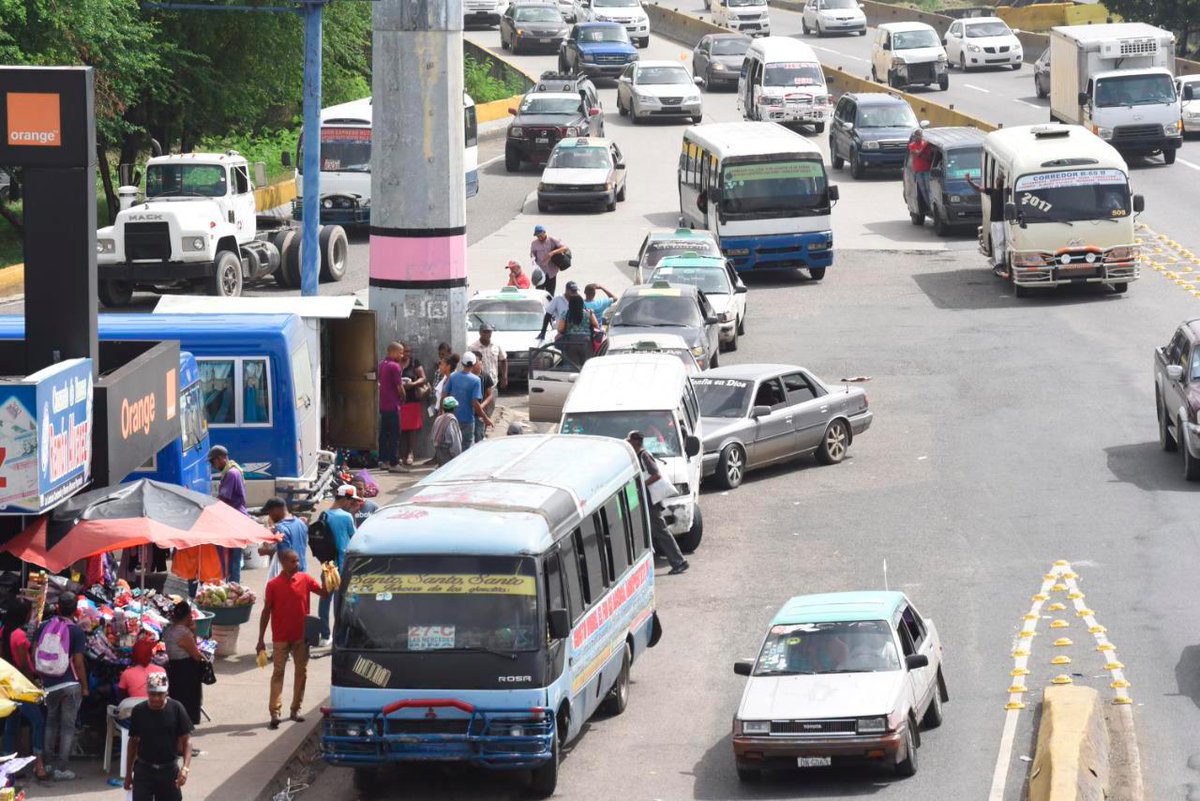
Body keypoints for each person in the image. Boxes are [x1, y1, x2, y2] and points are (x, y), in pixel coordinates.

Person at [256, 549, 329, 729]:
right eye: (293, 561)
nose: (297, 564)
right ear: (283, 563)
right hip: (280, 637)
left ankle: (295, 709)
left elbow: (324, 593)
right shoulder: (273, 585)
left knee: (301, 672)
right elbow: (266, 612)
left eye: (297, 561)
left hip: (302, 637)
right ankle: (275, 711)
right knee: (278, 673)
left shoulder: (305, 579)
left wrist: (327, 575)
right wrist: (260, 639)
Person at [36, 594, 87, 781]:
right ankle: (61, 769)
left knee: (50, 723)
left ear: (57, 607)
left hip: (49, 684)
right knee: (67, 727)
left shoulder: (43, 626)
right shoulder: (77, 631)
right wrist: (85, 686)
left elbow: (35, 649)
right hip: (70, 683)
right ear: (75, 609)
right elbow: (79, 662)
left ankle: (48, 764)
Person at [626, 431, 689, 576]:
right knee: (651, 532)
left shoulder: (644, 455)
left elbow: (656, 474)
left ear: (636, 442)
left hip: (651, 502)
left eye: (630, 441)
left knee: (661, 531)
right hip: (645, 501)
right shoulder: (637, 456)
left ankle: (679, 562)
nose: (628, 443)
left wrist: (641, 484)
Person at [124, 673, 193, 801]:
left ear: (167, 692)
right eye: (152, 694)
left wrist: (185, 768)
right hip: (144, 771)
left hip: (169, 771)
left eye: (160, 694)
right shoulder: (139, 711)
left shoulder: (177, 708)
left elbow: (186, 740)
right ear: (147, 693)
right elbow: (133, 742)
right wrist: (128, 774)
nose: (156, 698)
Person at [1, 598, 48, 781]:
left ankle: (7, 767)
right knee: (38, 722)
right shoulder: (19, 635)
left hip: (8, 685)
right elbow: (23, 665)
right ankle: (39, 764)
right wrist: (35, 685)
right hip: (22, 687)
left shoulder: (4, 631)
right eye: (29, 612)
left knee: (11, 725)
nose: (30, 616)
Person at [316, 485, 359, 647]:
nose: (352, 503)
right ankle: (339, 636)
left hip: (326, 565)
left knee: (325, 600)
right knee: (341, 603)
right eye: (351, 500)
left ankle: (325, 636)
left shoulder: (324, 515)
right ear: (346, 499)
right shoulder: (346, 518)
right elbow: (355, 538)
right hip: (342, 566)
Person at [208, 445, 247, 582]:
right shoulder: (231, 471)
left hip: (235, 520)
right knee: (231, 558)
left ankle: (234, 587)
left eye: (213, 462)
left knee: (234, 560)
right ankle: (232, 584)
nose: (213, 465)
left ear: (221, 458)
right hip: (234, 519)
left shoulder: (231, 474)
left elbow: (224, 499)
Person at [163, 601, 206, 727]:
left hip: (174, 668)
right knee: (188, 700)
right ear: (188, 617)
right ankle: (186, 726)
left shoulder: (169, 630)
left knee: (178, 697)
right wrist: (193, 632)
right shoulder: (183, 632)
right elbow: (196, 655)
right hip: (186, 670)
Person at [441, 352, 492, 450]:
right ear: (473, 364)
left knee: (453, 448)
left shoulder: (453, 376)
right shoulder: (476, 380)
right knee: (467, 449)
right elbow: (475, 403)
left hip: (452, 419)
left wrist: (443, 413)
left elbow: (444, 395)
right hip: (467, 420)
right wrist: (485, 418)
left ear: (462, 363)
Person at [397, 342, 428, 466]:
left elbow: (423, 378)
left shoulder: (414, 362)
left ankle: (410, 453)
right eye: (404, 351)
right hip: (398, 399)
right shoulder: (395, 362)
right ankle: (399, 454)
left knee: (412, 429)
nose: (406, 354)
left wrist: (413, 384)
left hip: (411, 398)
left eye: (408, 352)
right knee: (399, 428)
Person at [259, 497, 309, 573]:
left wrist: (266, 551)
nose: (270, 516)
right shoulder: (301, 523)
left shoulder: (281, 528)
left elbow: (285, 555)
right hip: (303, 571)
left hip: (290, 575)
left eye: (270, 512)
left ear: (276, 510)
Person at [377, 342, 405, 472]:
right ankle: (394, 463)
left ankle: (383, 460)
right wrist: (403, 397)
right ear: (393, 352)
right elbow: (399, 387)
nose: (402, 355)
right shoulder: (395, 366)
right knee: (395, 434)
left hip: (383, 404)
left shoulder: (382, 364)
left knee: (384, 434)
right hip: (393, 405)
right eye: (400, 352)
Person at [529, 224, 569, 296]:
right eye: (537, 236)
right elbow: (532, 254)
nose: (539, 237)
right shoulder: (534, 243)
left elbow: (565, 248)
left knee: (550, 294)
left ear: (544, 232)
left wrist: (552, 253)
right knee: (539, 293)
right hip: (540, 272)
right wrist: (533, 258)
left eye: (540, 235)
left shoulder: (552, 240)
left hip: (551, 272)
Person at [469, 323, 508, 390]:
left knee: (492, 399)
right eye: (484, 332)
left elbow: (503, 360)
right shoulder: (473, 347)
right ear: (480, 333)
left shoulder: (496, 346)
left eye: (489, 332)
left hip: (493, 382)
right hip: (478, 382)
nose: (487, 334)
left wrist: (504, 377)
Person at [470, 351, 496, 445]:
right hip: (468, 413)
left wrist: (481, 406)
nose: (473, 364)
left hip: (480, 413)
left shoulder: (485, 376)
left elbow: (490, 395)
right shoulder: (467, 376)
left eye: (476, 361)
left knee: (479, 438)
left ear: (481, 362)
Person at [433, 397, 464, 465]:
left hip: (438, 450)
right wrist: (457, 457)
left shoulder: (438, 419)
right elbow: (456, 441)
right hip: (448, 452)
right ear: (454, 408)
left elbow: (434, 435)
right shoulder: (452, 420)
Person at [908, 129, 934, 210]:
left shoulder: (926, 144)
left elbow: (929, 157)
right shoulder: (912, 145)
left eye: (920, 135)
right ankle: (929, 206)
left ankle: (931, 206)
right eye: (917, 135)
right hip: (918, 171)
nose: (918, 137)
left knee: (928, 189)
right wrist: (924, 148)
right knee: (923, 190)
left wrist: (921, 153)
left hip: (926, 170)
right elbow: (916, 153)